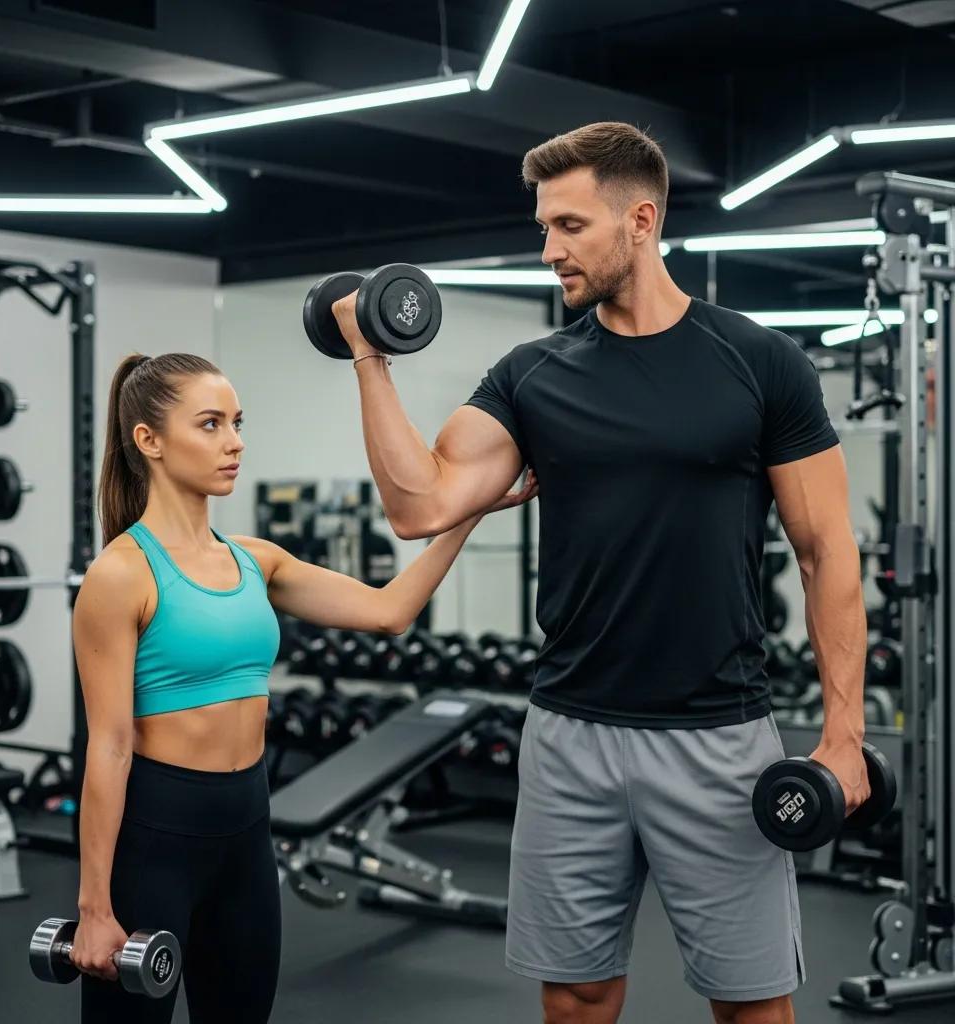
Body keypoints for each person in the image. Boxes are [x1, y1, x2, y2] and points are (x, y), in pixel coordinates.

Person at [329, 122, 871, 1024]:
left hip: (720, 736)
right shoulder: (530, 376)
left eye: (571, 226)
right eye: (545, 227)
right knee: (577, 997)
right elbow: (418, 504)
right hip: (569, 733)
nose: (550, 250)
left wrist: (844, 736)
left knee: (751, 1005)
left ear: (641, 221)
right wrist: (369, 356)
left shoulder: (762, 362)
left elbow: (827, 552)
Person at [69, 351, 538, 1024]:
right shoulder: (121, 575)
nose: (234, 442)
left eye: (237, 422)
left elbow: (389, 611)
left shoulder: (256, 561)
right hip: (157, 838)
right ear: (149, 441)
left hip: (246, 831)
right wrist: (93, 909)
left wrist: (472, 510)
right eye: (210, 424)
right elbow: (109, 747)